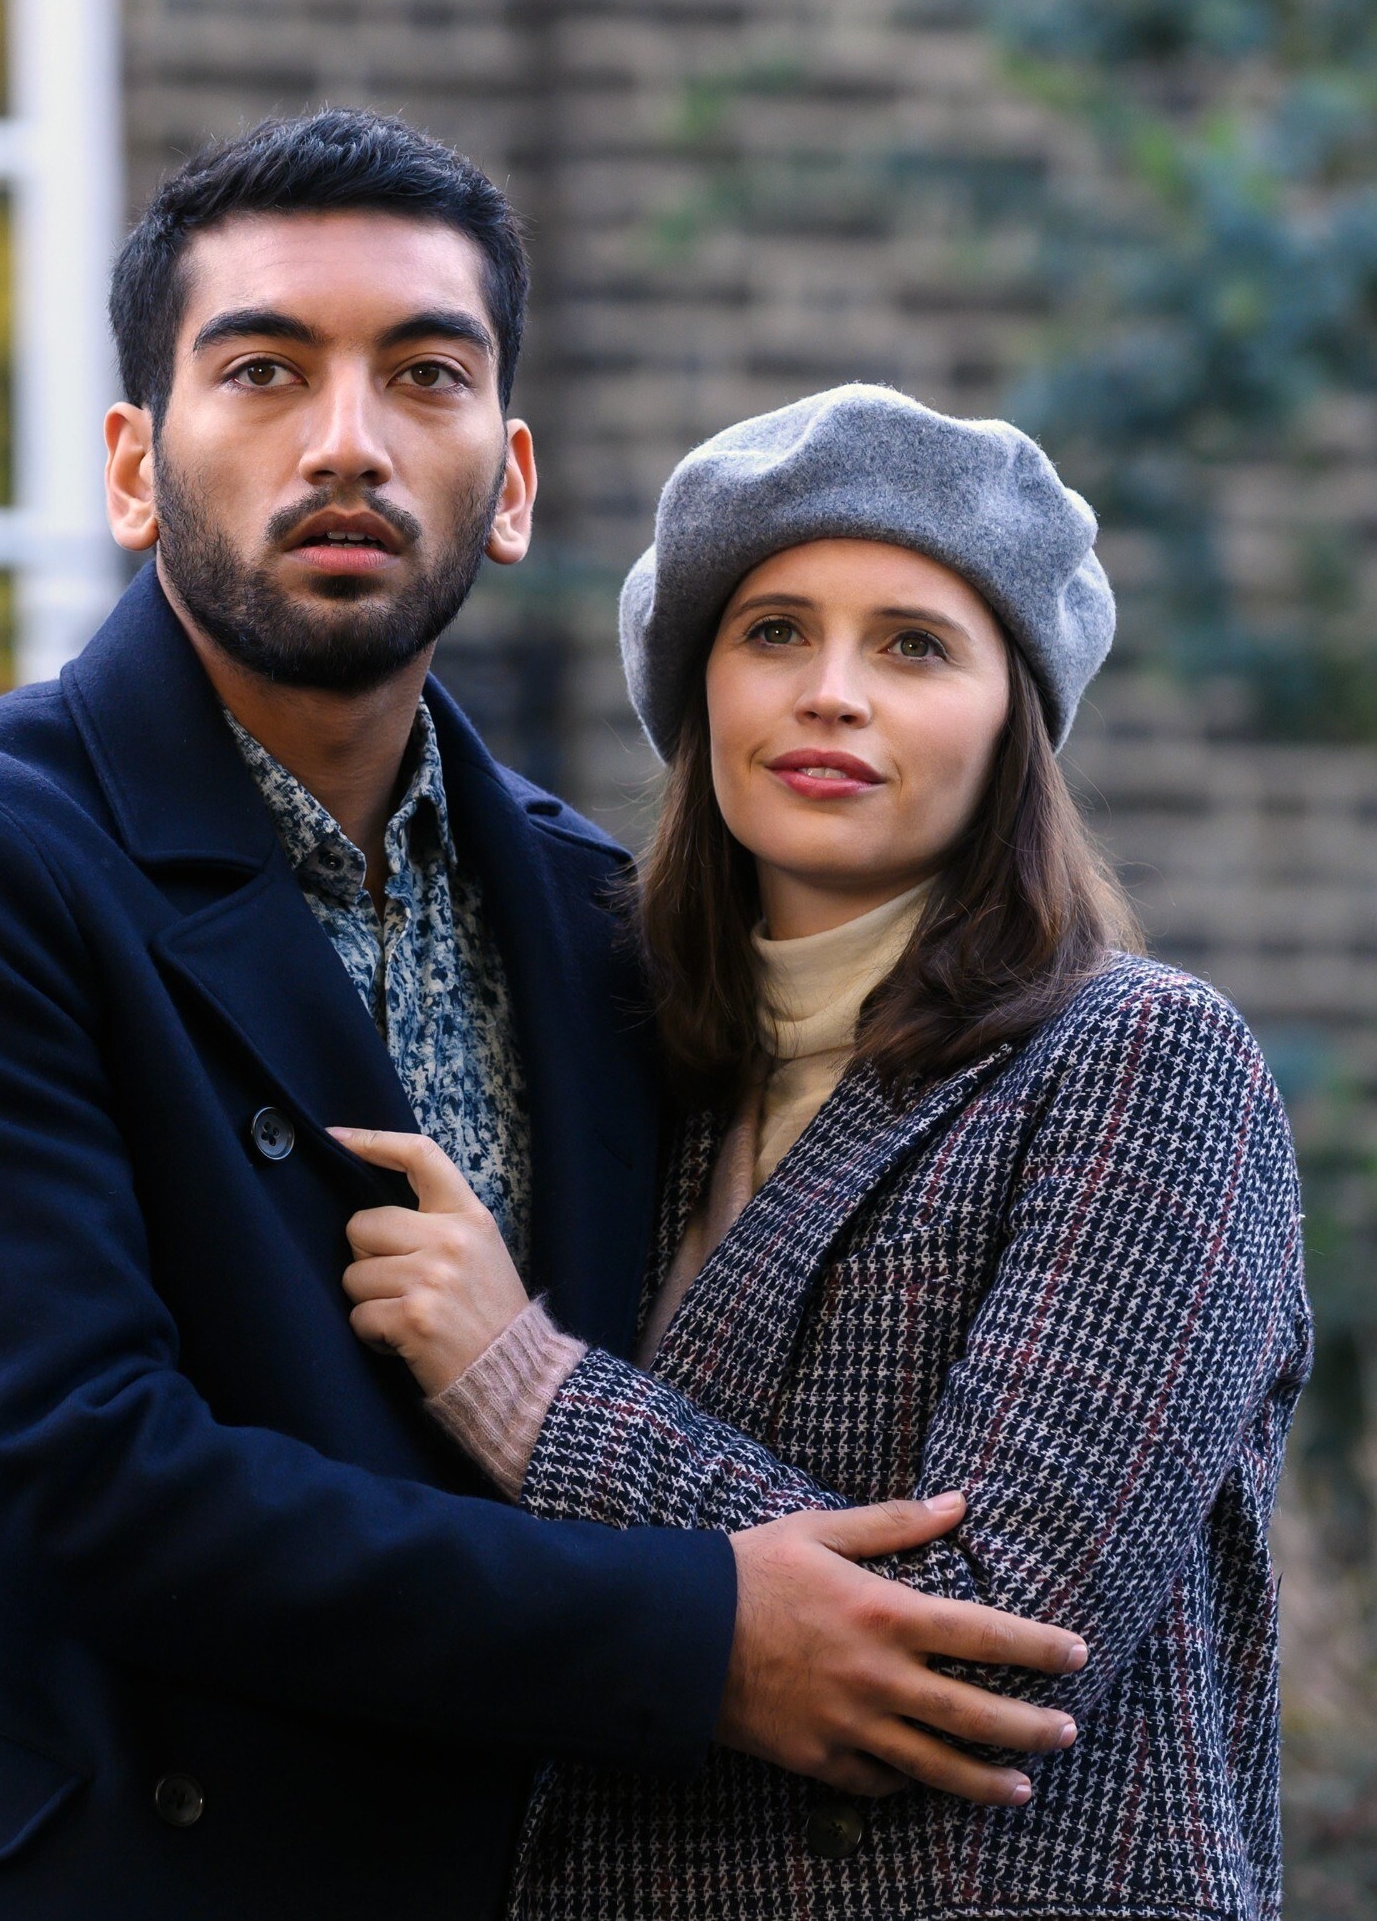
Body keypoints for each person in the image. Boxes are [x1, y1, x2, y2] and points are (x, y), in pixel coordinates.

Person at [0, 119, 1086, 1921]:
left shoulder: (602, 914)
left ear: (511, 482)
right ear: (137, 466)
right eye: (265, 370)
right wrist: (701, 1638)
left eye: (426, 374)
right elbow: (75, 1479)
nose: (350, 440)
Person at [338, 385, 1315, 1918]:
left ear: (1015, 718)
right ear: (699, 693)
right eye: (774, 632)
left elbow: (987, 1637)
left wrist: (528, 1391)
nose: (831, 693)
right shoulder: (636, 1083)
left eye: (914, 645)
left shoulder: (1138, 1062)